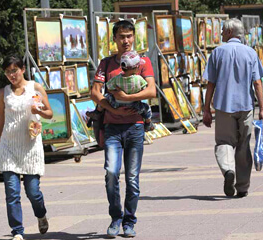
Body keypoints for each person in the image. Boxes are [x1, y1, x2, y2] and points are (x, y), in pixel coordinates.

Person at [91, 20, 156, 238]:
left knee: (132, 178)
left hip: (135, 128)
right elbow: (95, 92)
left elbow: (151, 91)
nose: (125, 40)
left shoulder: (142, 61)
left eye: (129, 36)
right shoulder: (107, 64)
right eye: (121, 36)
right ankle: (115, 217)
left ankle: (129, 221)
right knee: (111, 173)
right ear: (115, 39)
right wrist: (113, 109)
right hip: (112, 128)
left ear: (134, 37)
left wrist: (127, 98)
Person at [0, 55, 53, 240]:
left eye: (14, 70)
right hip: (9, 147)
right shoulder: (3, 93)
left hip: (31, 148)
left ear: (23, 69)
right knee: (12, 193)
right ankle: (17, 231)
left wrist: (38, 110)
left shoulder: (35, 88)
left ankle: (41, 214)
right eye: (8, 72)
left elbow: (49, 113)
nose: (11, 75)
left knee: (33, 192)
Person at [202, 18, 263, 198]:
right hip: (246, 106)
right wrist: (261, 109)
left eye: (223, 30)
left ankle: (228, 170)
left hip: (223, 107)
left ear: (230, 32)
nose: (221, 33)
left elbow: (211, 84)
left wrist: (206, 109)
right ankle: (243, 186)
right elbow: (258, 83)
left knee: (224, 143)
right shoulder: (251, 53)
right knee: (243, 145)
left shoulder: (217, 53)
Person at [88, 50, 154, 132]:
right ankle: (148, 123)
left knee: (105, 97)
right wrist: (131, 96)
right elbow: (147, 89)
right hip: (134, 107)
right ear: (136, 68)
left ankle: (97, 112)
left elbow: (108, 87)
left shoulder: (117, 78)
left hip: (116, 104)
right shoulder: (139, 79)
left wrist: (119, 95)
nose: (126, 41)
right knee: (146, 108)